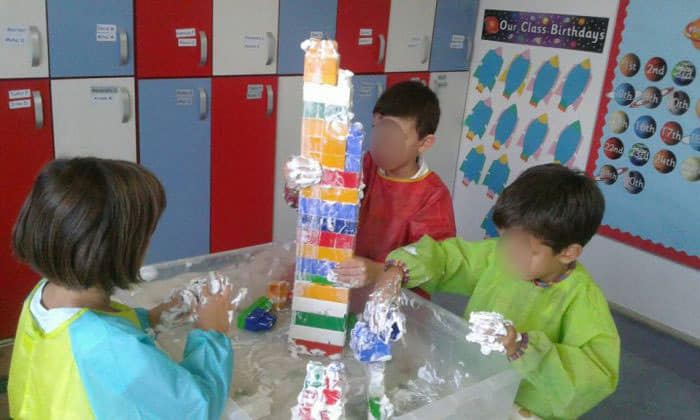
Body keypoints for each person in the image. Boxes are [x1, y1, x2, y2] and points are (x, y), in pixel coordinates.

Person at [370, 164, 620, 419]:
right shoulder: (498, 255)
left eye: (523, 249)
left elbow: (596, 373)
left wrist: (522, 347)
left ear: (568, 252)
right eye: (504, 238)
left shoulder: (582, 298)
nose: (508, 253)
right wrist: (401, 268)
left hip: (526, 408)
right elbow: (449, 258)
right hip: (473, 384)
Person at [8, 158, 234, 420]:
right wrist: (212, 334)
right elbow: (195, 410)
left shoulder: (43, 296)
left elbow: (89, 329)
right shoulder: (112, 346)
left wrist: (155, 317)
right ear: (118, 250)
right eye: (146, 235)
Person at [285, 81, 456, 301]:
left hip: (394, 302)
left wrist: (378, 271)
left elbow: (436, 264)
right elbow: (320, 204)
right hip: (345, 288)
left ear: (424, 143)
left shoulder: (433, 195)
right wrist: (300, 184)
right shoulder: (363, 165)